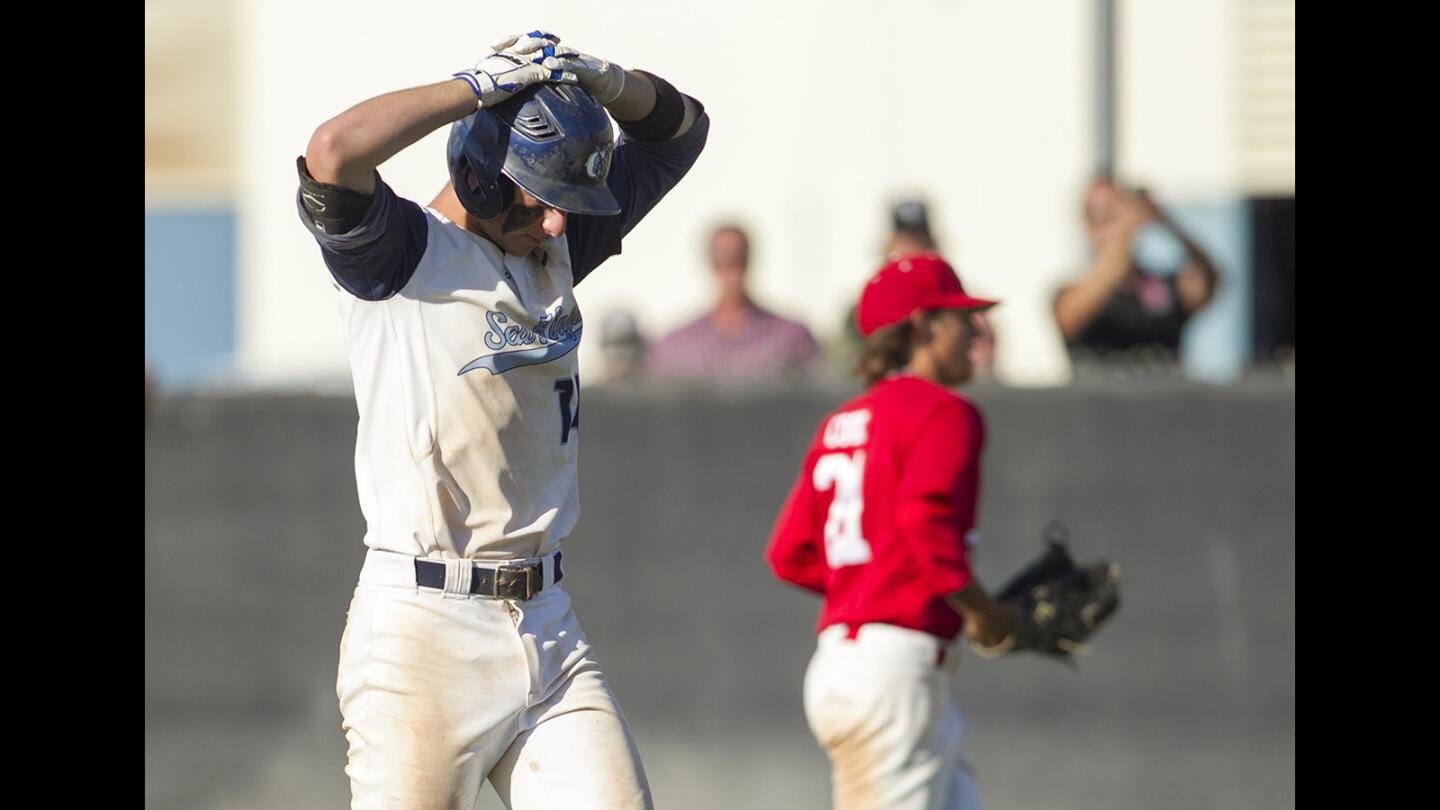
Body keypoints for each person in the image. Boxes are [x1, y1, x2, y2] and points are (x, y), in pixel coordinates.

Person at [295, 31, 707, 809]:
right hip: (424, 630)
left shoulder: (549, 247)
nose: (558, 223)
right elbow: (333, 152)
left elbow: (680, 130)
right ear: (483, 176)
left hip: (548, 623)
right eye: (544, 198)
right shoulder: (401, 255)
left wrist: (598, 77)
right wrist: (475, 87)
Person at [765, 252, 1019, 810]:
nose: (977, 329)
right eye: (961, 318)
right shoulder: (944, 411)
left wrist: (875, 586)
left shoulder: (842, 422)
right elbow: (924, 523)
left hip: (851, 669)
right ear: (924, 325)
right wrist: (985, 611)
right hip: (893, 677)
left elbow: (790, 554)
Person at [1053, 178, 1220, 360]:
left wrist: (1165, 221)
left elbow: (1208, 282)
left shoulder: (1165, 287)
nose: (1110, 227)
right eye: (1098, 217)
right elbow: (1071, 318)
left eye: (1111, 216)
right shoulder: (1069, 294)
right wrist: (1125, 229)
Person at [646, 224, 822, 381]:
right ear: (712, 262)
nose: (731, 268)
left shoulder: (789, 336)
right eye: (723, 257)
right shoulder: (678, 344)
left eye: (738, 258)